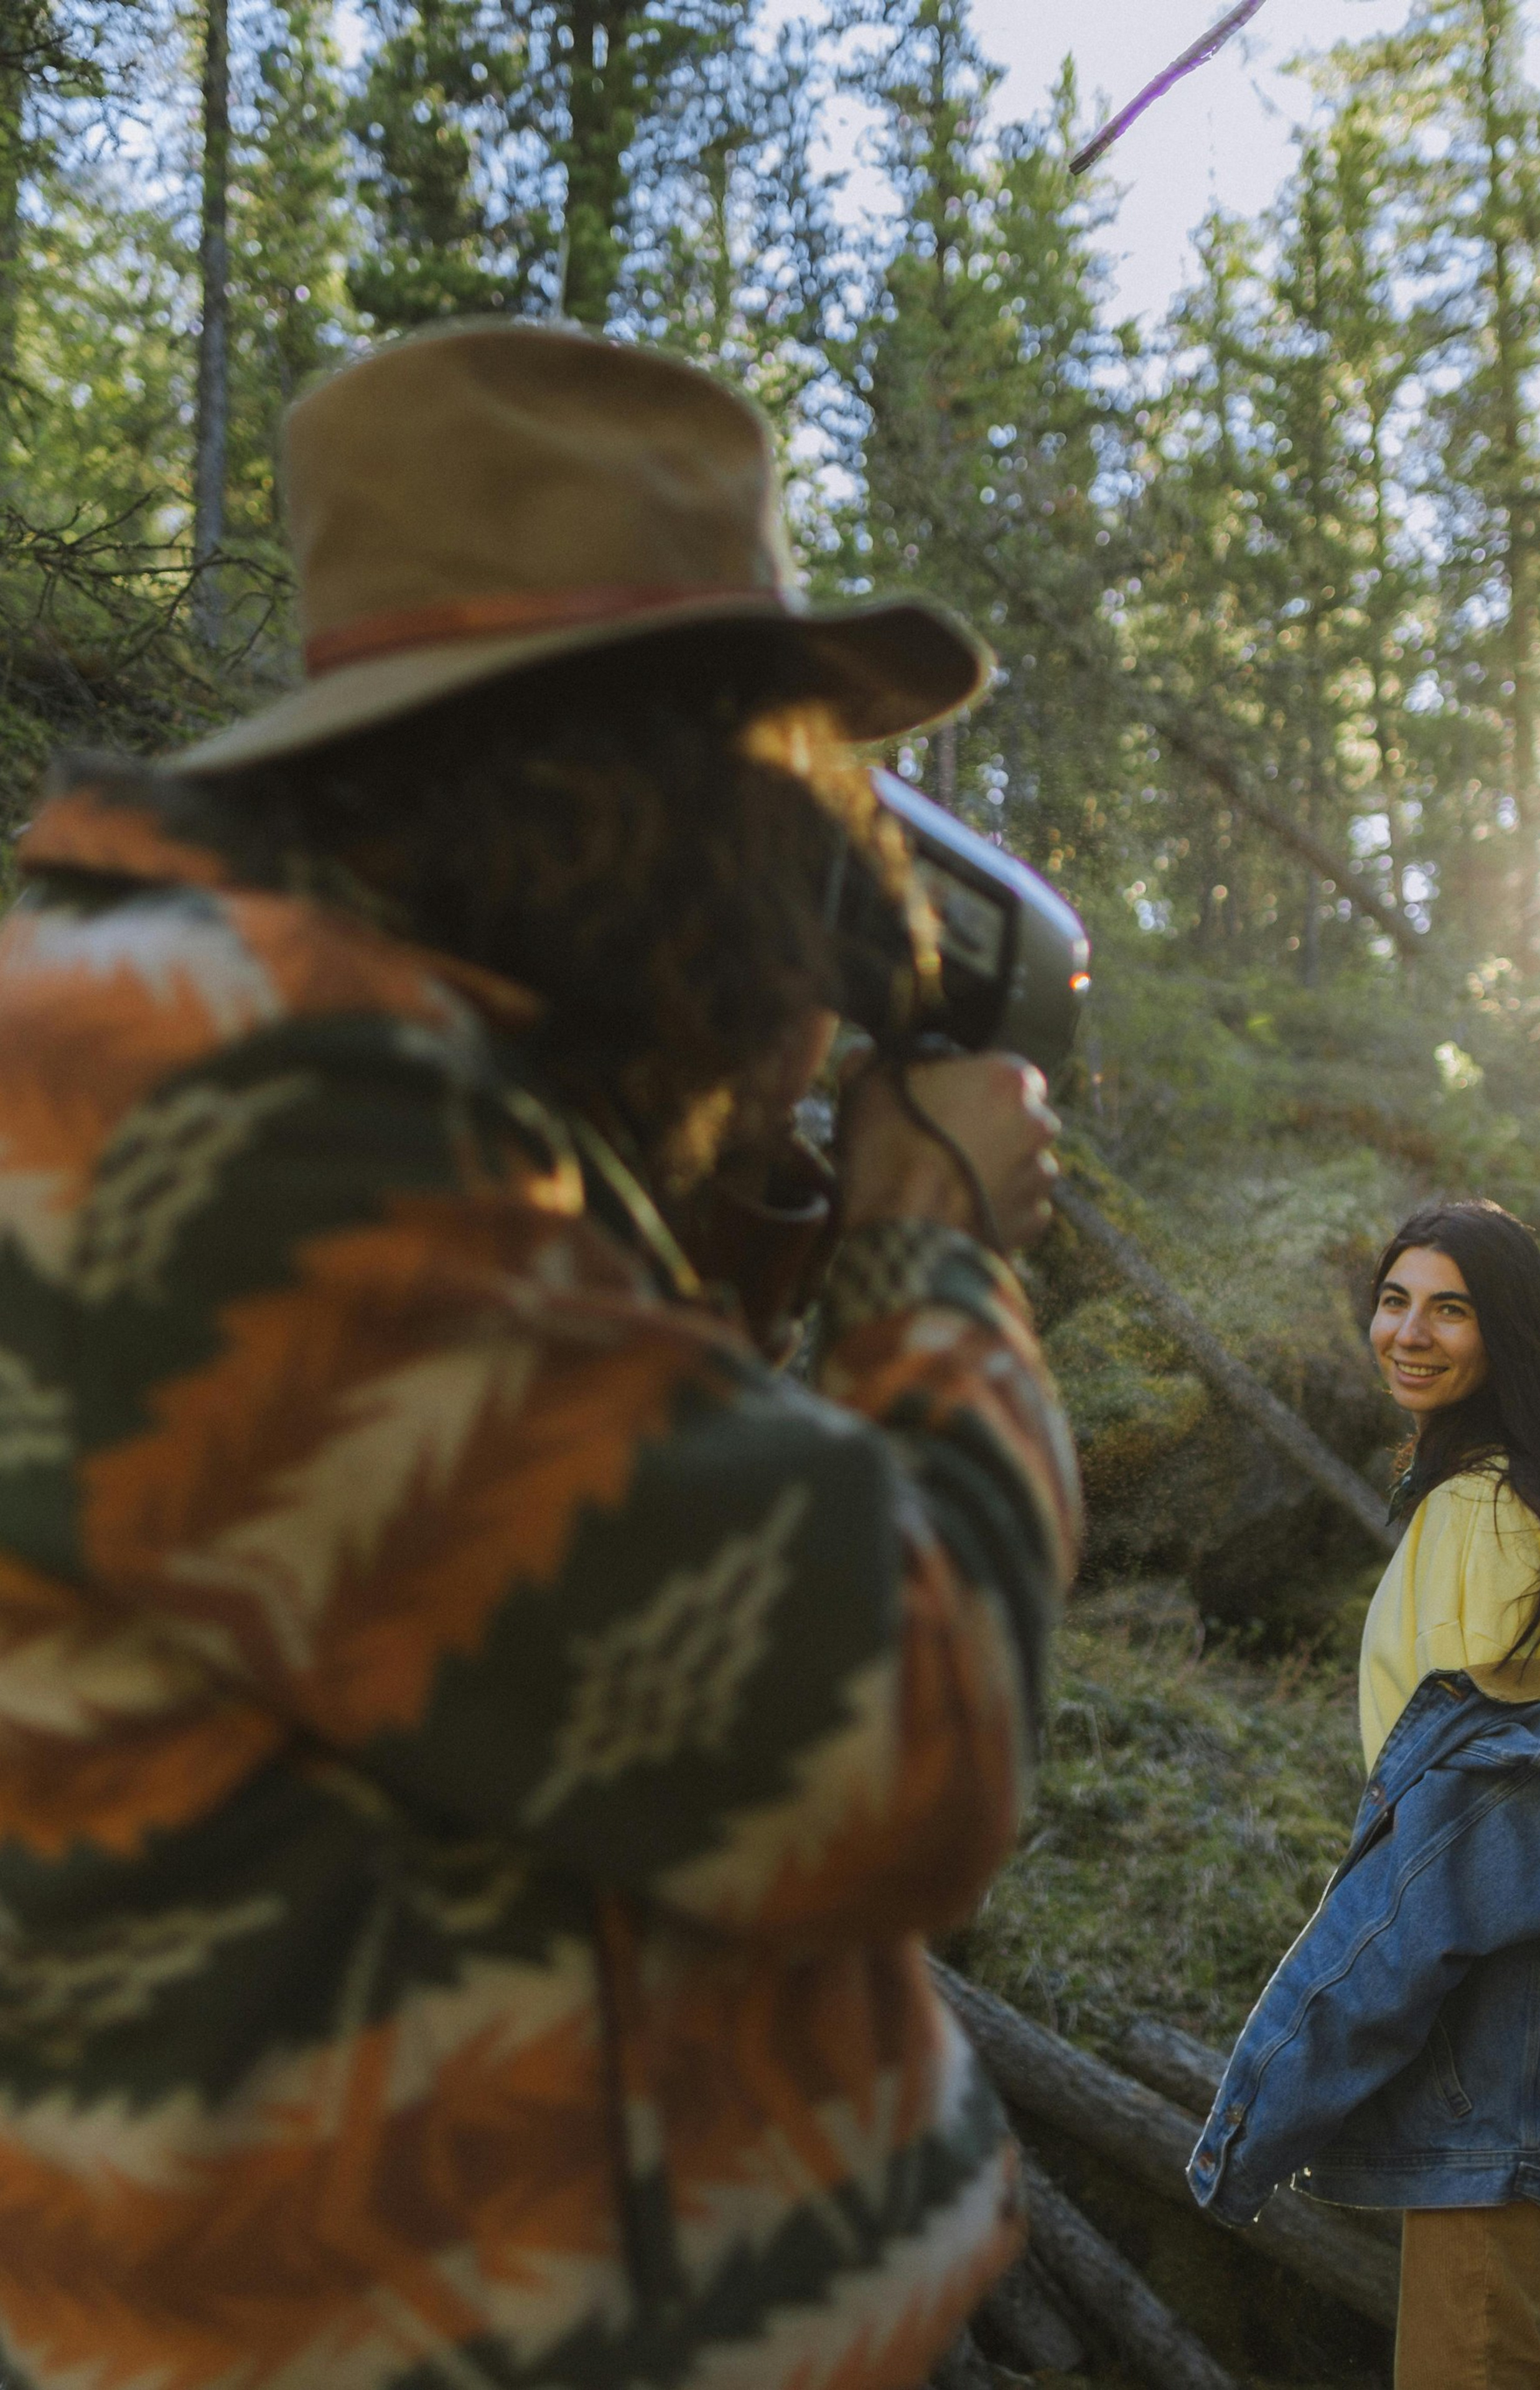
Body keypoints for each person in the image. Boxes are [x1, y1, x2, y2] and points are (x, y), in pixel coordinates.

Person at [0, 324, 1081, 2390]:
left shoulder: (329, 1053)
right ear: (640, 775)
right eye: (778, 776)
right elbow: (900, 1731)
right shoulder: (228, 1101)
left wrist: (728, 1155)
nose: (814, 854)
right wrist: (926, 1253)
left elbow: (587, 1545)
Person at [1189, 1198, 1540, 2389]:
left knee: (1470, 2363)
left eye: (1450, 1308)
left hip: (1503, 2013)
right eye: (1395, 1298)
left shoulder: (1484, 1512)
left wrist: (1284, 2072)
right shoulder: (1515, 1495)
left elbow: (1481, 1818)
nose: (1409, 1331)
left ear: (1504, 1333)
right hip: (1521, 2003)